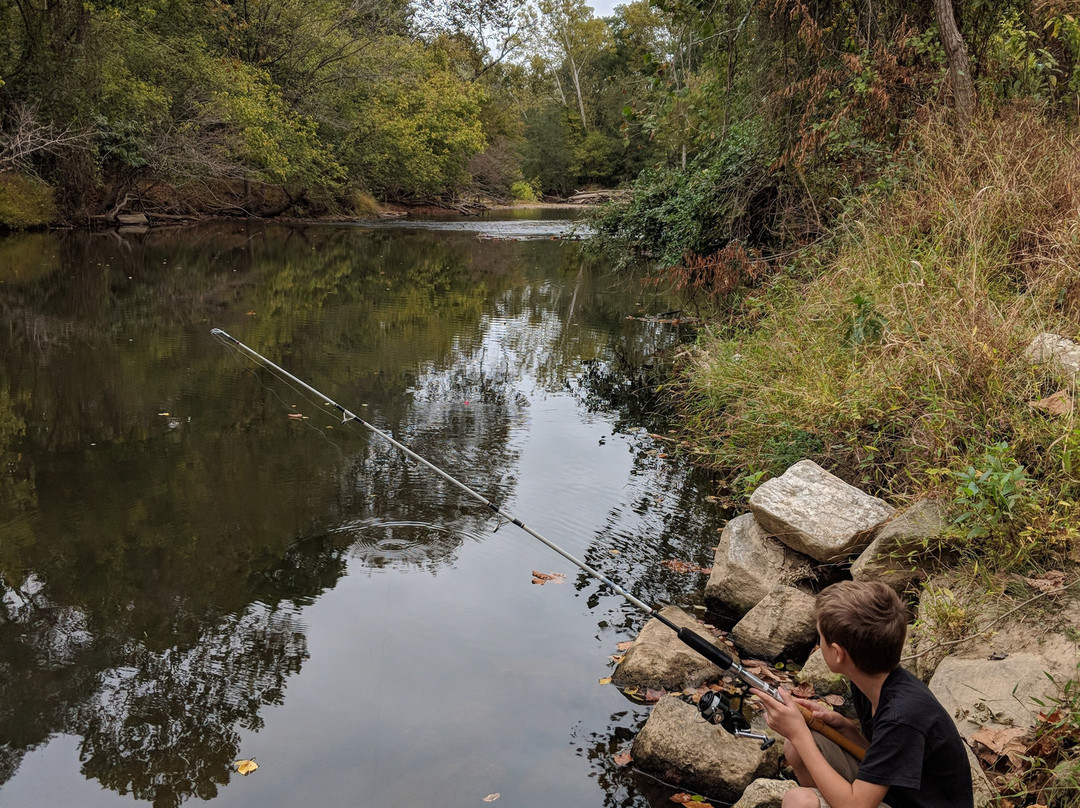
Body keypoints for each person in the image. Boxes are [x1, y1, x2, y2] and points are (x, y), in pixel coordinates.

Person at [752, 580, 973, 808]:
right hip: (896, 794)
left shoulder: (903, 715)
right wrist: (845, 728)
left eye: (821, 638)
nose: (818, 644)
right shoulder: (869, 681)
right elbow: (886, 757)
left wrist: (799, 732)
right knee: (796, 747)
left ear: (838, 654)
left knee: (800, 800)